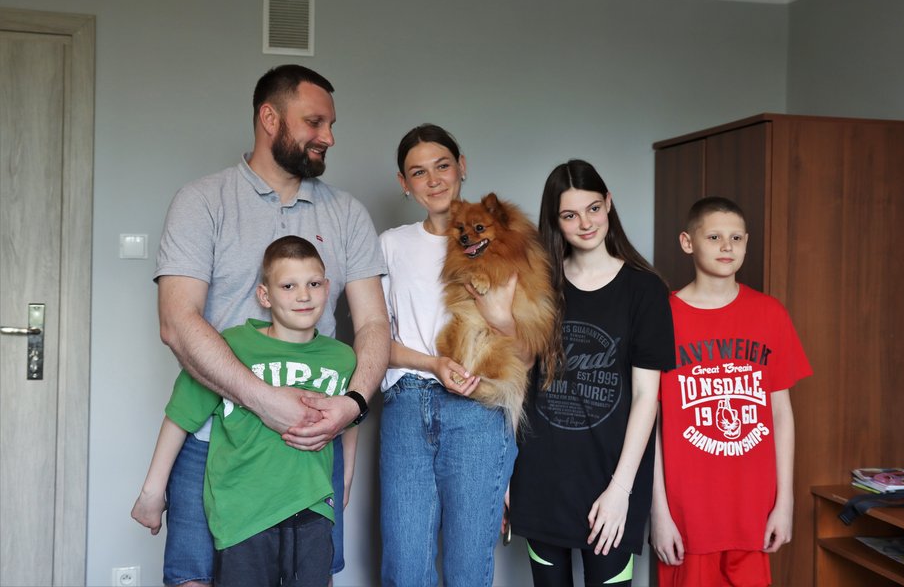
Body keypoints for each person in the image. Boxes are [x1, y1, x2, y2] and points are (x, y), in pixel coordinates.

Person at [149, 65, 389, 586]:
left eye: (330, 124)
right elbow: (176, 321)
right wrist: (264, 399)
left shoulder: (346, 214)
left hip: (310, 449)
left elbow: (373, 325)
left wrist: (353, 406)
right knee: (195, 578)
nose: (328, 137)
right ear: (269, 118)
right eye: (315, 122)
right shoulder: (202, 202)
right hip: (213, 440)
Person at [133, 236, 355, 585]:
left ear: (327, 288)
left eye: (313, 284)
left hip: (312, 509)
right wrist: (152, 492)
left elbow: (347, 420)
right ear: (264, 295)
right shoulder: (231, 347)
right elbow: (181, 415)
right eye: (288, 285)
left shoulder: (342, 357)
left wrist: (343, 481)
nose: (303, 295)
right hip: (243, 514)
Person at [510, 159, 675, 587]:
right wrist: (505, 474)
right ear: (555, 221)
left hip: (611, 482)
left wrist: (621, 490)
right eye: (569, 214)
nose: (585, 223)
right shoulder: (540, 285)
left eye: (593, 209)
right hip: (542, 478)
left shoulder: (646, 289)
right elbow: (517, 381)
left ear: (609, 204)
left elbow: (646, 398)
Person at [378, 124, 521, 587]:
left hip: (478, 409)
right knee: (405, 567)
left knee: (467, 568)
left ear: (462, 167)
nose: (434, 180)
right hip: (406, 404)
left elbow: (524, 345)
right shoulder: (390, 245)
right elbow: (374, 340)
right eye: (418, 172)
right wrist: (432, 364)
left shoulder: (500, 241)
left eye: (442, 166)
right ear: (403, 183)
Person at [650, 196, 812, 587]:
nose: (727, 247)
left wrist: (784, 502)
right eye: (715, 237)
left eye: (736, 238)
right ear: (688, 242)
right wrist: (658, 512)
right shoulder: (661, 317)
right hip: (687, 516)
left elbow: (781, 413)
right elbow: (649, 423)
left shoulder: (770, 314)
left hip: (753, 513)